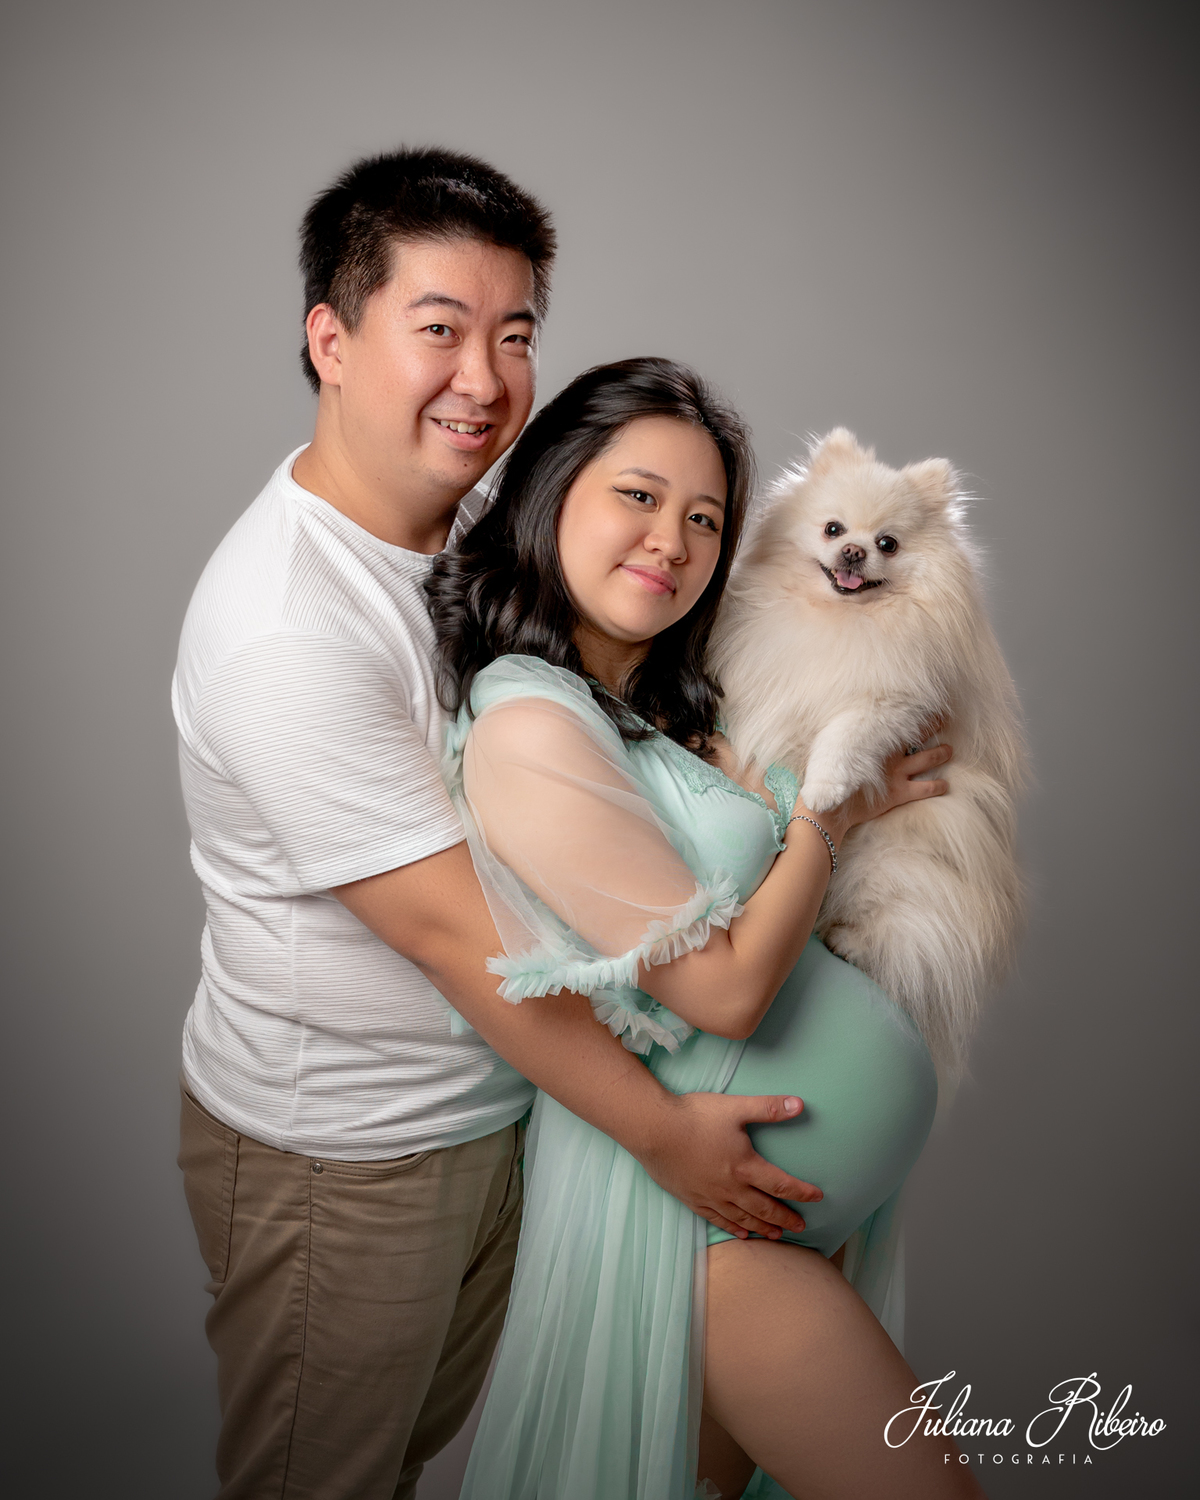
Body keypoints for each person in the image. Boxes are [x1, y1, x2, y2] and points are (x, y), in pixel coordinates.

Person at [173, 149, 830, 1500]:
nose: (483, 378)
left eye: (515, 335)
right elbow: (462, 939)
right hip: (347, 1152)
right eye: (440, 330)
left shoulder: (481, 522)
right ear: (331, 341)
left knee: (417, 1459)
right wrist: (663, 1134)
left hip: (509, 1111)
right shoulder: (284, 628)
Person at [428, 358, 987, 1499]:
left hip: (763, 1218)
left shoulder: (658, 705)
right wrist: (831, 819)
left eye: (704, 518)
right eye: (638, 497)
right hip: (695, 1235)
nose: (673, 542)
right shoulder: (528, 726)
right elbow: (724, 993)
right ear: (551, 493)